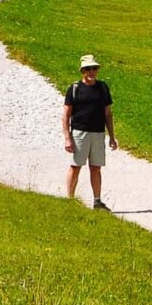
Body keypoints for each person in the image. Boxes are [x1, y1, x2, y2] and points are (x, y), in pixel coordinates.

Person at [63, 54, 117, 209]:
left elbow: (108, 113)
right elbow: (66, 115)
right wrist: (67, 138)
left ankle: (97, 200)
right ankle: (70, 199)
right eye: (88, 69)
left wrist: (112, 137)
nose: (91, 72)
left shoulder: (103, 87)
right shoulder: (74, 89)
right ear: (82, 71)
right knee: (76, 166)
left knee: (96, 167)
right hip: (79, 132)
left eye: (94, 68)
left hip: (98, 133)